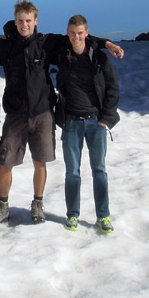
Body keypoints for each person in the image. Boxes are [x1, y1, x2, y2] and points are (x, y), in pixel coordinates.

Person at [0, 0, 123, 230]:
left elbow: (78, 38)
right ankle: (3, 205)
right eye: (20, 20)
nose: (24, 24)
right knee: (6, 162)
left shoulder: (47, 43)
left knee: (40, 162)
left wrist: (106, 43)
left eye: (28, 20)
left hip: (43, 112)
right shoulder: (7, 45)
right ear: (15, 21)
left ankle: (37, 203)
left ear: (35, 21)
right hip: (16, 113)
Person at [54, 14, 120, 234]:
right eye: (72, 33)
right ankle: (72, 214)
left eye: (80, 33)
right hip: (71, 121)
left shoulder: (99, 58)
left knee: (99, 170)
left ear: (87, 33)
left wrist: (106, 119)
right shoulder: (62, 54)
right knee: (72, 172)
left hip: (95, 122)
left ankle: (103, 216)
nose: (76, 37)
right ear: (67, 33)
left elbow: (112, 89)